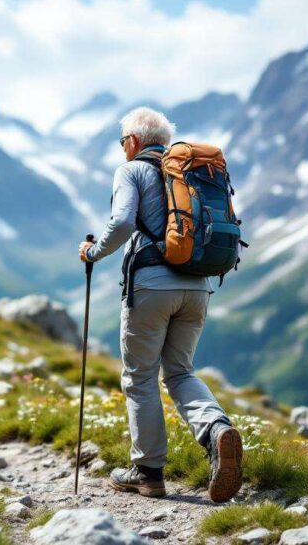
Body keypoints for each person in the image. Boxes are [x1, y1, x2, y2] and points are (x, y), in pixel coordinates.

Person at [78, 107, 242, 503]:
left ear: (133, 141)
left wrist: (92, 252)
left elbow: (122, 222)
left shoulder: (131, 170)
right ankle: (217, 430)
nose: (122, 149)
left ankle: (148, 472)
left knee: (140, 376)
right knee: (181, 372)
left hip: (152, 287)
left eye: (122, 142)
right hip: (199, 285)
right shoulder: (188, 175)